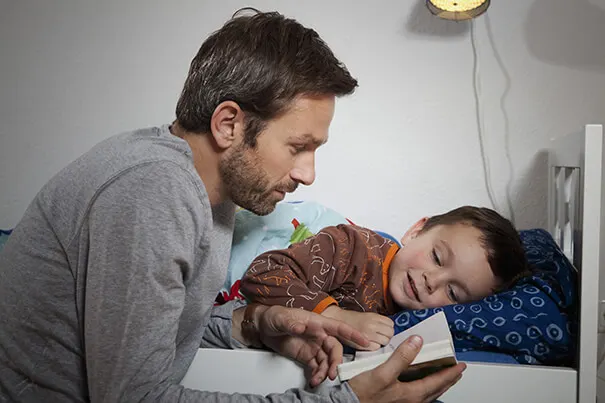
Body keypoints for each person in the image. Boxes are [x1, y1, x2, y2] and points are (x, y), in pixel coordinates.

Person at [0, 9, 465, 403]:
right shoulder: (152, 191)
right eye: (298, 146)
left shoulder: (211, 192)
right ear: (229, 125)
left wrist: (258, 324)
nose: (308, 174)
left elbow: (156, 327)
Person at [241, 206, 529, 350]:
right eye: (437, 258)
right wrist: (337, 316)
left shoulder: (415, 321)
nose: (432, 280)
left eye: (453, 293)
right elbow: (264, 272)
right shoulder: (352, 247)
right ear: (416, 232)